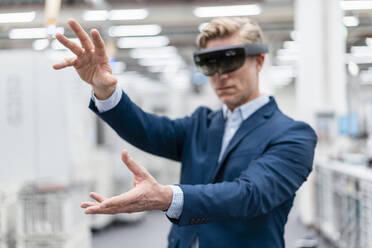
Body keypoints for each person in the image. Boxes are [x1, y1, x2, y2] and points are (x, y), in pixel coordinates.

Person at [53, 17, 317, 248]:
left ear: (259, 61)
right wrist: (106, 92)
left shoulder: (292, 135)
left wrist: (168, 197)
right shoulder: (202, 123)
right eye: (209, 63)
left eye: (230, 60)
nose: (220, 75)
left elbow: (249, 195)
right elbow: (148, 130)